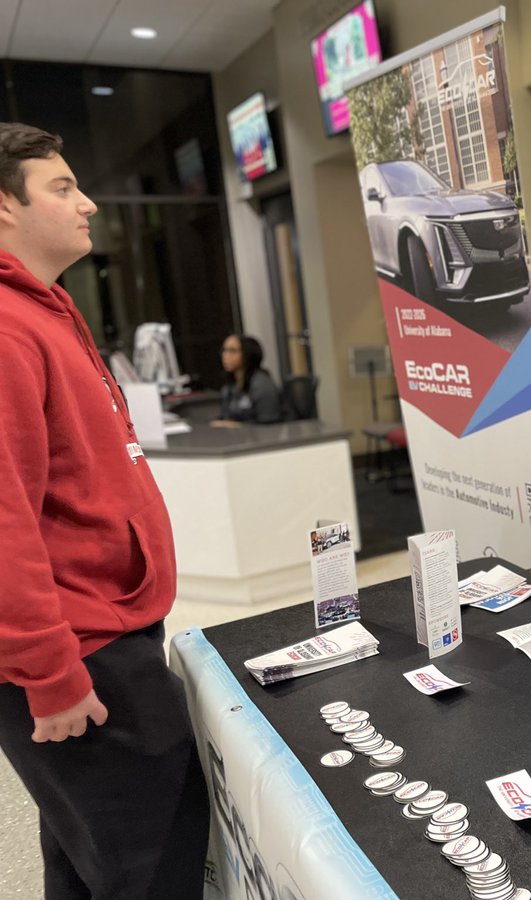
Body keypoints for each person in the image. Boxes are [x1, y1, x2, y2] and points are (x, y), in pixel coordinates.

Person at [0, 122, 210, 898]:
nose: (88, 203)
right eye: (61, 188)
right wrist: (48, 673)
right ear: (4, 209)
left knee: (87, 857)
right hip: (79, 652)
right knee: (150, 860)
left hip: (97, 633)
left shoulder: (43, 308)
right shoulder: (7, 327)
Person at [213, 333, 283, 425]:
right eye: (224, 350)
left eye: (232, 351)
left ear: (248, 354)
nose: (225, 356)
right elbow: (226, 416)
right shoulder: (229, 386)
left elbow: (269, 423)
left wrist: (235, 425)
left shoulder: (262, 385)